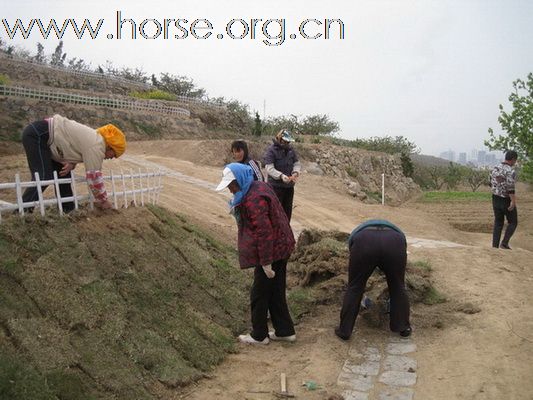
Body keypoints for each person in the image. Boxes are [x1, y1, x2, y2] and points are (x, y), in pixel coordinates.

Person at [216, 162, 296, 345]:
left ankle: (259, 335)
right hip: (282, 246)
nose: (230, 189)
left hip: (273, 249)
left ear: (241, 179)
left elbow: (264, 232)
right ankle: (285, 331)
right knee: (275, 290)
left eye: (232, 185)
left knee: (259, 293)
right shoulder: (257, 186)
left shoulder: (254, 199)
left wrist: (266, 262)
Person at [21, 114, 126, 212]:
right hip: (39, 135)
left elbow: (75, 147)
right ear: (110, 146)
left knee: (63, 174)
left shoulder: (95, 139)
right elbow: (94, 177)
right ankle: (22, 211)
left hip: (47, 137)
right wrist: (104, 201)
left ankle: (68, 211)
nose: (112, 157)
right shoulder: (97, 145)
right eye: (114, 154)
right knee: (43, 177)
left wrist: (72, 164)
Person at [335, 219, 411, 340]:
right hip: (395, 242)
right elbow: (404, 245)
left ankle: (345, 330)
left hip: (364, 242)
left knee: (354, 287)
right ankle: (403, 327)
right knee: (398, 286)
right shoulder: (397, 233)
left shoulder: (359, 233)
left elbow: (351, 245)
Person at [263, 129, 301, 222]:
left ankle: (286, 232)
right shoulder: (271, 151)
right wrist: (281, 176)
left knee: (287, 212)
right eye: (285, 141)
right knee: (275, 212)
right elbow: (269, 168)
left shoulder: (291, 150)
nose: (287, 143)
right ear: (279, 139)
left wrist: (295, 172)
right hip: (275, 187)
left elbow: (296, 163)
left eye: (288, 141)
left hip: (288, 187)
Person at [490, 150, 518, 249]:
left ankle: (495, 246)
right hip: (505, 199)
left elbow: (491, 182)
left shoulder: (495, 168)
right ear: (513, 159)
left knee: (498, 222)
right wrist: (513, 201)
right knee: (513, 222)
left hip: (495, 197)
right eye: (515, 160)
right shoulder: (510, 170)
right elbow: (510, 187)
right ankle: (504, 243)